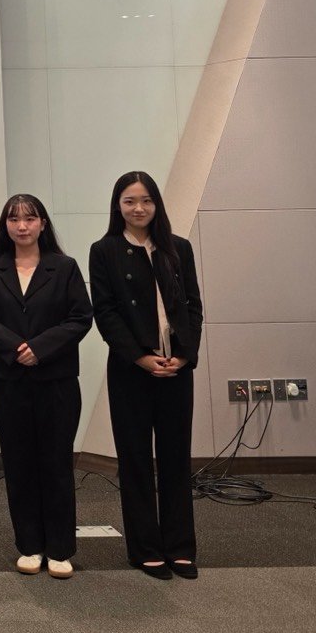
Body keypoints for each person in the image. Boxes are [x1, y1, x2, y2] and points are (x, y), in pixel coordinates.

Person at [89, 171, 204, 580]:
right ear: (117, 206)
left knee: (176, 458)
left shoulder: (178, 248)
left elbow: (193, 306)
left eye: (146, 200)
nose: (138, 208)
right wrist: (140, 357)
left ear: (157, 204)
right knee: (135, 458)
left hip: (176, 368)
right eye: (129, 201)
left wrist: (185, 356)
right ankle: (145, 549)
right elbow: (105, 312)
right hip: (131, 369)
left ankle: (180, 547)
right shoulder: (104, 250)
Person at [0, 194, 93, 580]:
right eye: (14, 219)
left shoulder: (64, 267)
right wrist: (14, 348)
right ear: (5, 225)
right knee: (19, 463)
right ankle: (29, 545)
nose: (22, 226)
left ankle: (60, 548)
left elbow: (80, 317)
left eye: (30, 218)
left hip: (56, 381)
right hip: (9, 382)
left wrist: (39, 348)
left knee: (56, 464)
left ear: (42, 223)